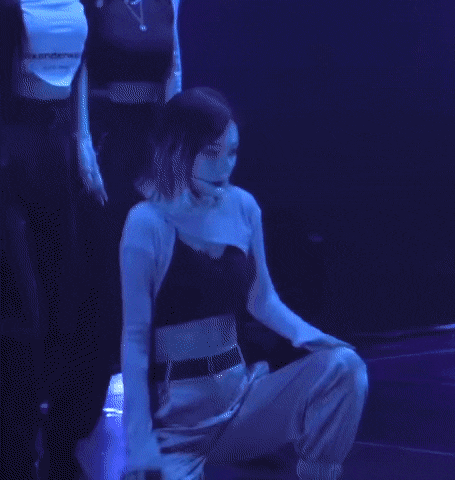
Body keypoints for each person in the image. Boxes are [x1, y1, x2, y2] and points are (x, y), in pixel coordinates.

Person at [120, 87, 369, 480]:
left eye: (232, 152)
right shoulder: (146, 222)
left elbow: (262, 299)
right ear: (178, 150)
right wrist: (139, 439)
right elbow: (135, 337)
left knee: (345, 368)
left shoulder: (243, 206)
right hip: (176, 425)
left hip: (239, 400)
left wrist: (317, 339)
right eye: (212, 153)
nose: (225, 166)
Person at [0, 0, 107, 478]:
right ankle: (16, 448)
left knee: (64, 300)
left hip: (54, 141)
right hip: (10, 140)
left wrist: (82, 141)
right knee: (21, 304)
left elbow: (81, 66)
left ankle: (54, 442)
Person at [80, 0, 182, 373]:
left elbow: (174, 71)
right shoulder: (98, 5)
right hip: (110, 132)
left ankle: (154, 355)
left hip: (153, 133)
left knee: (157, 246)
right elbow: (82, 72)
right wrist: (83, 142)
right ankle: (113, 357)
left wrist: (176, 148)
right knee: (113, 246)